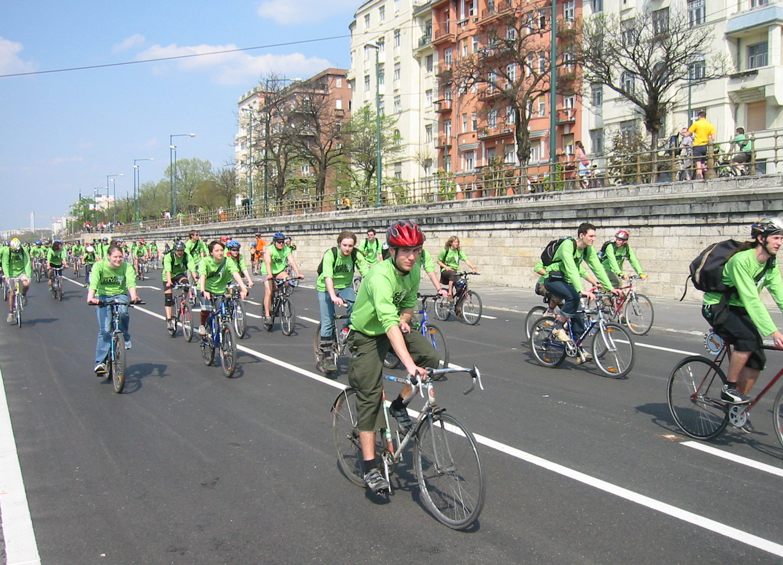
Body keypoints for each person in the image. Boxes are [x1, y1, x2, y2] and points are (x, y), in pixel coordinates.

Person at [347, 220, 441, 493]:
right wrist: (409, 365)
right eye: (405, 251)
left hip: (393, 327)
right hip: (367, 333)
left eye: (416, 250)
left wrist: (406, 318)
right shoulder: (379, 277)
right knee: (370, 396)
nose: (412, 256)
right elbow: (386, 324)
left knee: (430, 359)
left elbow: (408, 306)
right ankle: (369, 466)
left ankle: (399, 405)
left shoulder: (413, 271)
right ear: (391, 251)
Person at [702, 218, 783, 412]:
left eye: (781, 238)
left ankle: (736, 409)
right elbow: (751, 299)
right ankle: (729, 388)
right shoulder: (742, 260)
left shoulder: (770, 263)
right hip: (717, 307)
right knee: (747, 339)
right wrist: (773, 332)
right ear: (761, 238)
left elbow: (780, 294)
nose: (779, 243)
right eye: (776, 238)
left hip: (738, 308)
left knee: (757, 359)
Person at [544, 223, 621, 363]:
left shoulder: (587, 249)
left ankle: (579, 350)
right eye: (591, 236)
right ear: (581, 235)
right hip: (553, 279)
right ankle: (557, 327)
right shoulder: (568, 245)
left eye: (594, 236)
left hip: (567, 281)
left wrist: (609, 288)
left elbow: (597, 267)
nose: (594, 239)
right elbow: (572, 268)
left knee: (579, 313)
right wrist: (580, 290)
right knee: (573, 297)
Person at [316, 231, 368, 373]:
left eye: (350, 246)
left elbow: (367, 274)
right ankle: (325, 357)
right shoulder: (330, 254)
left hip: (344, 286)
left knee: (357, 307)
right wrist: (333, 296)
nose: (347, 249)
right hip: (325, 288)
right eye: (344, 245)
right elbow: (327, 277)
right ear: (339, 244)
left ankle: (346, 330)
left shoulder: (356, 255)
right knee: (328, 321)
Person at [87, 244, 140, 375]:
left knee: (123, 312)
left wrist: (133, 296)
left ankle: (124, 337)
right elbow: (93, 282)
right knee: (105, 330)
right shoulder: (99, 266)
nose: (118, 260)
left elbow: (130, 282)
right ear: (109, 257)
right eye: (115, 257)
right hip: (103, 296)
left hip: (119, 294)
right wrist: (91, 297)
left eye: (120, 257)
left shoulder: (126, 266)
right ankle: (100, 363)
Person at [198, 240, 248, 336]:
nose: (220, 252)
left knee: (221, 313)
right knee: (206, 309)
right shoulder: (205, 261)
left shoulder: (227, 260)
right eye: (217, 251)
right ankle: (202, 325)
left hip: (220, 290)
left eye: (221, 250)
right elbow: (203, 276)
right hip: (205, 288)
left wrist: (243, 288)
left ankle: (222, 339)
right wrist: (203, 291)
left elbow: (235, 273)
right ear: (211, 252)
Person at [261, 232, 302, 330]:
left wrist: (298, 273)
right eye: (279, 242)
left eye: (282, 242)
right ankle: (267, 315)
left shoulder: (286, 249)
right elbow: (268, 262)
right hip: (267, 271)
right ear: (274, 242)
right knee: (269, 291)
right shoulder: (269, 249)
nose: (281, 244)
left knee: (287, 279)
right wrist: (270, 274)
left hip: (279, 271)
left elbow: (292, 261)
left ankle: (283, 297)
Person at [162, 241, 195, 330]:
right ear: (174, 250)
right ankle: (169, 320)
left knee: (186, 284)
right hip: (168, 276)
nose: (180, 252)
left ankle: (183, 303)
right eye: (178, 250)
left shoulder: (187, 256)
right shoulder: (169, 257)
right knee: (168, 298)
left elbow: (191, 266)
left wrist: (196, 277)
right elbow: (168, 270)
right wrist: (169, 281)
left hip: (179, 274)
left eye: (182, 250)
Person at [437, 236, 478, 300]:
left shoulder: (458, 251)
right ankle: (450, 293)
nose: (457, 244)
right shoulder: (446, 250)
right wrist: (446, 267)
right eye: (455, 242)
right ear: (451, 243)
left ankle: (458, 307)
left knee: (461, 285)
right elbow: (438, 261)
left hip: (454, 271)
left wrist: (472, 267)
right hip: (445, 271)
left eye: (458, 242)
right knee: (452, 274)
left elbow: (466, 260)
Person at [1, 238, 31, 322]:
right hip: (11, 273)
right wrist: (7, 276)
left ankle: (24, 294)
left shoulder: (23, 250)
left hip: (21, 272)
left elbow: (27, 262)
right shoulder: (7, 251)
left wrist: (28, 276)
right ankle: (11, 313)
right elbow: (5, 263)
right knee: (12, 293)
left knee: (26, 284)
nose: (16, 252)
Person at [688, 110, 716, 180]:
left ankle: (699, 177)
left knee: (698, 164)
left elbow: (689, 133)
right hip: (705, 146)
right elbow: (713, 137)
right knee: (702, 163)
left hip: (697, 145)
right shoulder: (710, 125)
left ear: (699, 116)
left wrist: (683, 134)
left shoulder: (696, 124)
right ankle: (708, 174)